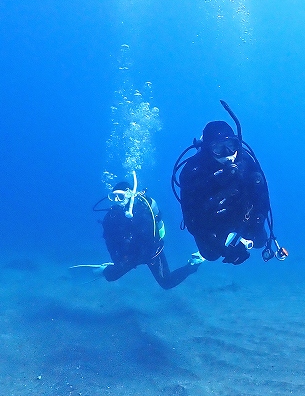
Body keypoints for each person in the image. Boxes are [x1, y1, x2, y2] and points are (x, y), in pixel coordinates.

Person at [171, 100, 287, 265]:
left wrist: (257, 220)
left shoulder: (246, 162)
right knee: (211, 255)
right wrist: (224, 250)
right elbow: (192, 222)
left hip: (242, 214)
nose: (227, 154)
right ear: (207, 149)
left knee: (260, 242)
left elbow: (263, 199)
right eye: (218, 148)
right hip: (211, 222)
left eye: (231, 146)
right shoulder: (192, 171)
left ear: (237, 144)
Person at [73, 173, 204, 289]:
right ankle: (102, 270)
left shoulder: (143, 209)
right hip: (131, 256)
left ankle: (193, 264)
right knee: (112, 277)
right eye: (113, 197)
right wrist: (117, 260)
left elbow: (154, 233)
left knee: (167, 283)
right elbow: (109, 240)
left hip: (152, 252)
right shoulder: (111, 217)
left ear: (130, 194)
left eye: (121, 196)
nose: (118, 201)